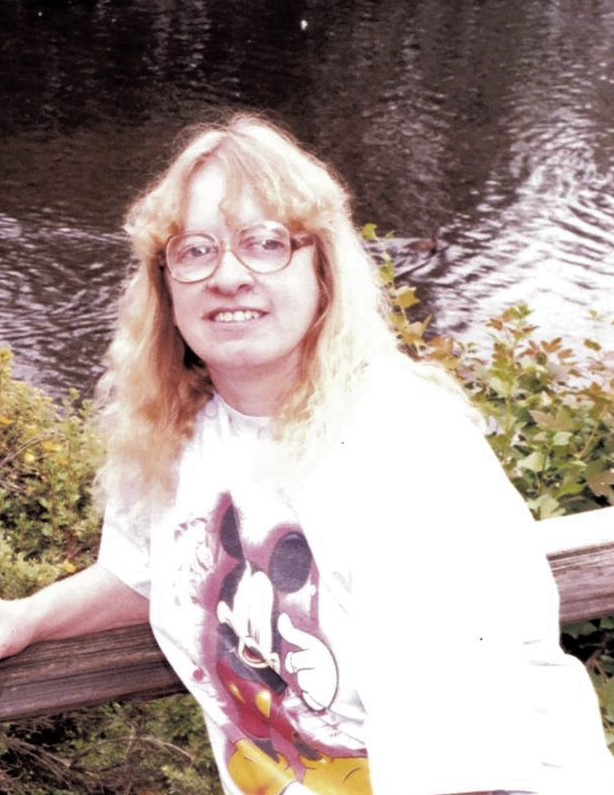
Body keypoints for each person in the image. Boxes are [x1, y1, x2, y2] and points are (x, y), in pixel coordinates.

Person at [1, 113, 613, 795]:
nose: (228, 275)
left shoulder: (406, 451)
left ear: (323, 271)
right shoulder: (178, 428)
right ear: (165, 285)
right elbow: (149, 569)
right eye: (195, 250)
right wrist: (25, 619)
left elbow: (463, 771)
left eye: (266, 243)